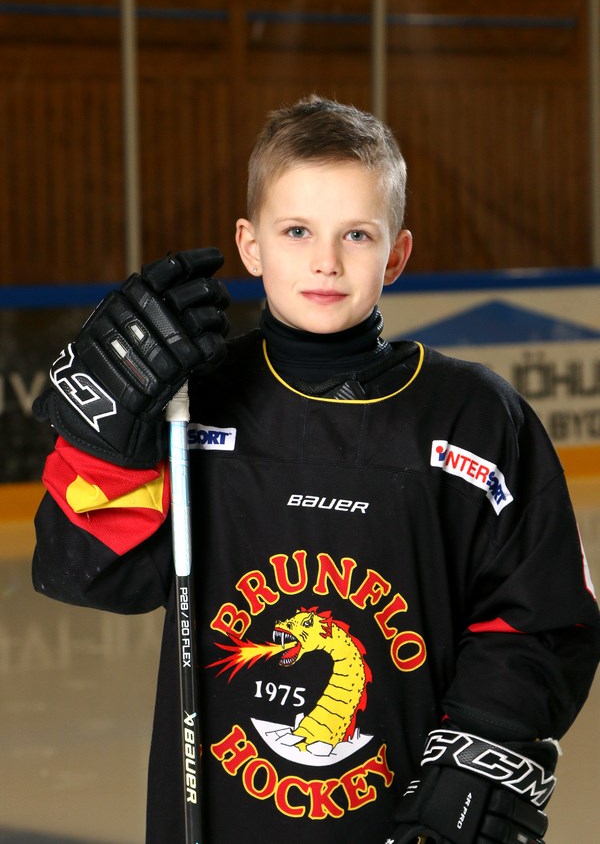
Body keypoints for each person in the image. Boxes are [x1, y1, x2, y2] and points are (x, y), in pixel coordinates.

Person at [32, 95, 599, 844]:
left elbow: (540, 617)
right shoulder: (188, 405)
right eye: (296, 231)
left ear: (396, 253)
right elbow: (87, 574)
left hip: (397, 817)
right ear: (250, 244)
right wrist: (109, 442)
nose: (326, 261)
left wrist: (485, 741)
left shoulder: (476, 418)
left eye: (356, 234)